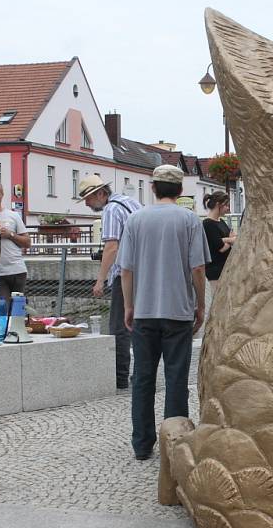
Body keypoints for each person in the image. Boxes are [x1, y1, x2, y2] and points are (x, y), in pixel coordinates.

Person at [118, 165, 210, 460]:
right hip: (178, 312)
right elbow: (197, 267)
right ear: (180, 191)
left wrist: (129, 305)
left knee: (143, 378)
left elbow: (126, 270)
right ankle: (175, 444)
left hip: (145, 311)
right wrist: (200, 303)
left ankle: (142, 444)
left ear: (153, 188)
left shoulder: (135, 219)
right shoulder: (189, 220)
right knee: (176, 378)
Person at [77, 173, 141, 392]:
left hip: (125, 273)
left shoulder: (112, 210)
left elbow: (111, 247)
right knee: (140, 325)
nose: (86, 203)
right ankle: (141, 374)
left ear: (101, 194)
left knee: (119, 327)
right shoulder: (131, 202)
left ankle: (120, 378)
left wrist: (100, 280)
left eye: (88, 198)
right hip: (144, 271)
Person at [0, 182, 31, 303]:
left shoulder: (13, 215)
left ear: (2, 195)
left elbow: (27, 242)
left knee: (17, 311)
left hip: (17, 270)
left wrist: (10, 235)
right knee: (3, 307)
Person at [201, 191, 236, 297]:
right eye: (226, 205)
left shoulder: (221, 221)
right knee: (218, 299)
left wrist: (225, 239)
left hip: (225, 268)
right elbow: (221, 248)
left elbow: (232, 236)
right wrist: (230, 240)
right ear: (218, 205)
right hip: (215, 270)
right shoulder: (208, 224)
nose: (228, 208)